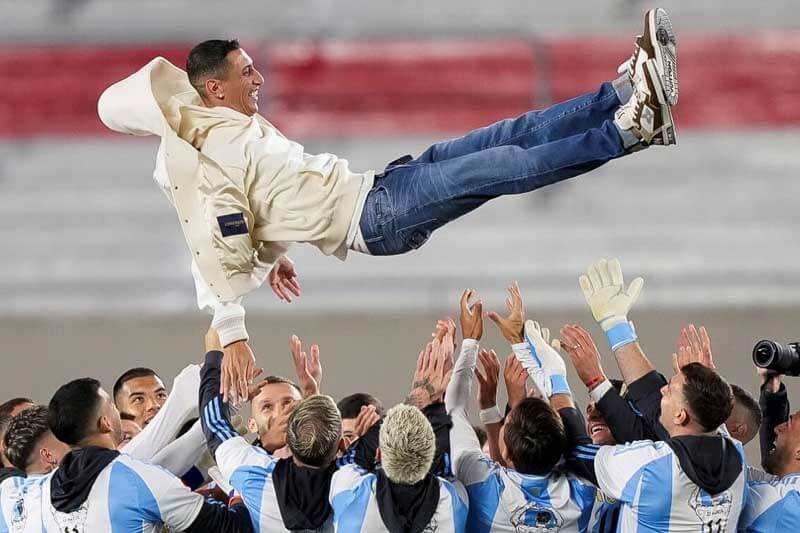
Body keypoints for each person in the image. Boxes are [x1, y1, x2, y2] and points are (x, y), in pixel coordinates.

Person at [97, 8, 680, 401]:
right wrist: (233, 331)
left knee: (511, 133)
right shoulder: (210, 147)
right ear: (214, 87)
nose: (260, 78)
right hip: (378, 215)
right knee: (506, 167)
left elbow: (259, 204)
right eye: (246, 72)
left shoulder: (229, 123)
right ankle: (634, 130)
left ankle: (627, 91)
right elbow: (211, 241)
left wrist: (271, 251)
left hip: (381, 185)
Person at [546, 258, 747, 532]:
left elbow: (577, 451)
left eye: (671, 389)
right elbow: (656, 411)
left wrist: (556, 378)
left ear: (681, 414)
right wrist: (616, 326)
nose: (663, 389)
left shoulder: (648, 467)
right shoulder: (732, 452)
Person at [446, 288, 598, 531]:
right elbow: (571, 423)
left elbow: (453, 409)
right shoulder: (584, 490)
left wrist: (470, 341)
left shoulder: (481, 482)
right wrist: (523, 347)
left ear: (506, 453)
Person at [28, 377, 253, 533]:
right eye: (112, 408)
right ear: (105, 422)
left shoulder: (39, 492)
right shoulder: (138, 480)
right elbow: (231, 527)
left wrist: (199, 465)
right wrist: (241, 487)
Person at [736, 371, 800, 531]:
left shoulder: (784, 500)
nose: (777, 428)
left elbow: (721, 475)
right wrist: (773, 388)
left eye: (787, 425)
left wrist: (701, 391)